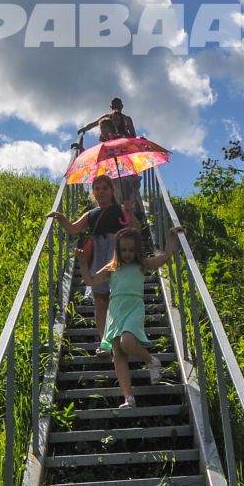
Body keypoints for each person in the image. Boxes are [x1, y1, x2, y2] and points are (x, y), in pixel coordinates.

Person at [88, 225, 179, 408]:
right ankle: (128, 398)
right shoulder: (112, 268)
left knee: (127, 343)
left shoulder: (142, 265)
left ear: (137, 250)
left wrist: (170, 236)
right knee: (118, 354)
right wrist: (83, 264)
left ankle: (151, 361)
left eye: (131, 250)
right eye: (123, 249)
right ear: (117, 250)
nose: (127, 253)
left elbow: (166, 256)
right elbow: (91, 281)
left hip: (134, 308)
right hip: (115, 310)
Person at [48, 173, 136, 345]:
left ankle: (121, 339)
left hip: (118, 257)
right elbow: (74, 229)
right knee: (101, 302)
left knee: (118, 300)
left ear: (112, 191)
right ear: (93, 193)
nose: (100, 192)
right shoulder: (91, 214)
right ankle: (105, 341)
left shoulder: (121, 209)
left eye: (104, 188)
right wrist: (61, 217)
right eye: (97, 188)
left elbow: (136, 230)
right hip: (98, 259)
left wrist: (130, 212)